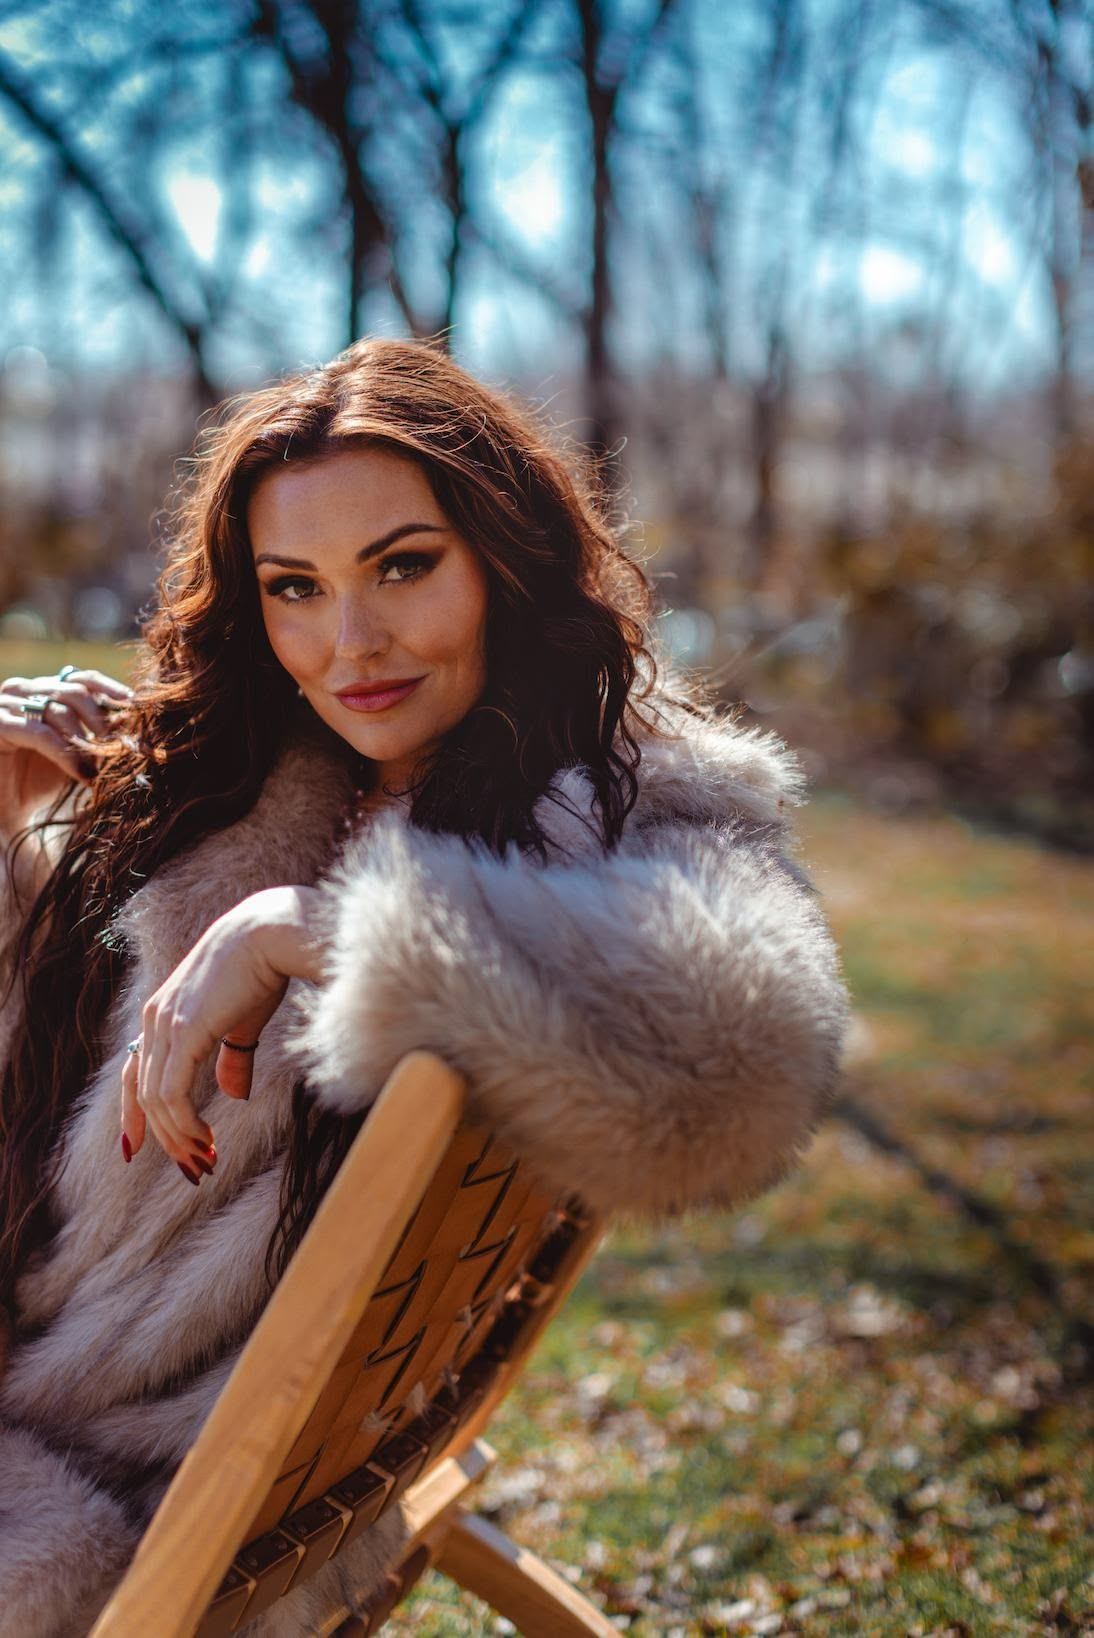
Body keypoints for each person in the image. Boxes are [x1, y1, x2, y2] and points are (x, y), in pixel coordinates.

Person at [0, 337, 849, 1636]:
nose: (349, 642)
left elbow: (737, 1052)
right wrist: (15, 842)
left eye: (403, 565)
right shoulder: (272, 779)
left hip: (123, 1485)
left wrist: (311, 928)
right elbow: (49, 1119)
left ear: (502, 560)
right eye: (295, 588)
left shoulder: (624, 793)